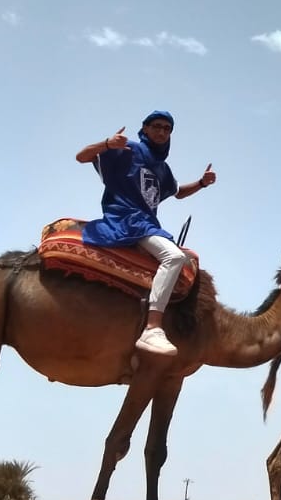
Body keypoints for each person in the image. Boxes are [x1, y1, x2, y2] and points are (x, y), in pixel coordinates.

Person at [76, 111, 216, 357]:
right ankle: (153, 327)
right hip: (126, 219)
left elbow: (178, 192)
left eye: (167, 129)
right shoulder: (128, 149)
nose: (162, 132)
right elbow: (82, 156)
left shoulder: (163, 169)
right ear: (146, 128)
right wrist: (107, 144)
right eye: (157, 126)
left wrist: (202, 183)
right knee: (174, 257)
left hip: (147, 223)